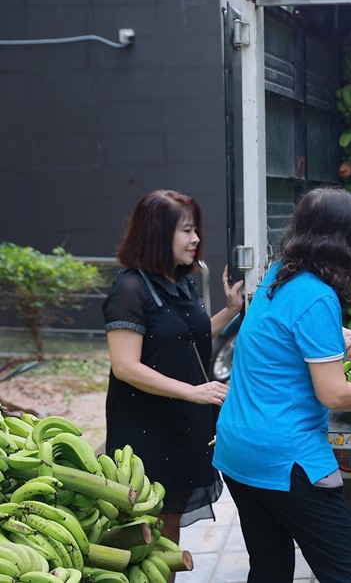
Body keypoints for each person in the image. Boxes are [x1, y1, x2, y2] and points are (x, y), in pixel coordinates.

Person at [212, 187, 351, 583]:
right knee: (345, 567)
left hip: (237, 449)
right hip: (284, 457)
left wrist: (341, 334)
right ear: (338, 242)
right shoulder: (318, 296)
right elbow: (334, 394)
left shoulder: (278, 274)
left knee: (270, 564)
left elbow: (281, 329)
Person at [103, 190, 244, 560]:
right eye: (185, 231)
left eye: (195, 229)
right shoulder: (129, 288)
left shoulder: (183, 282)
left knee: (170, 525)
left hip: (182, 423)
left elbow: (184, 339)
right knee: (143, 529)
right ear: (156, 234)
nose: (195, 239)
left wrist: (230, 311)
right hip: (145, 427)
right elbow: (125, 366)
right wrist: (194, 392)